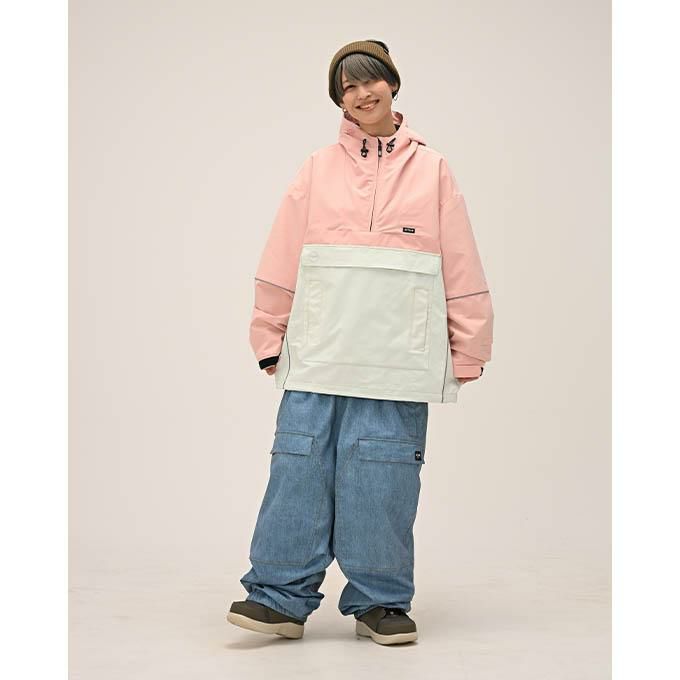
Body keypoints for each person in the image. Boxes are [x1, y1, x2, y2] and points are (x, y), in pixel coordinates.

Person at [227, 39, 494, 645]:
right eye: (347, 86)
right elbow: (282, 252)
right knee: (298, 467)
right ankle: (278, 597)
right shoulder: (318, 168)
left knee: (383, 475)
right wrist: (269, 331)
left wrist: (470, 343)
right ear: (339, 99)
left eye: (370, 79)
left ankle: (381, 601)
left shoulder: (433, 169)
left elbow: (460, 258)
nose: (361, 93)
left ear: (392, 84)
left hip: (399, 356)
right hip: (318, 348)